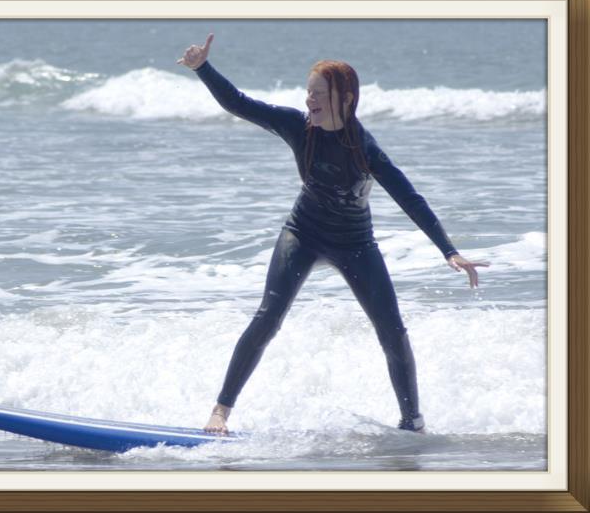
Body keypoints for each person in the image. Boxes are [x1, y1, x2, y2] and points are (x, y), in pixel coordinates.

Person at [176, 33, 489, 435]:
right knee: (268, 316)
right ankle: (220, 411)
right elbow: (238, 103)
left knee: (392, 330)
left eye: (319, 94)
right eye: (308, 92)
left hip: (355, 244)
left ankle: (412, 422)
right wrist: (202, 67)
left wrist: (450, 251)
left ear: (346, 98)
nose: (310, 100)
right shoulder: (297, 126)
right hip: (302, 233)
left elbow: (410, 197)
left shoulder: (364, 148)